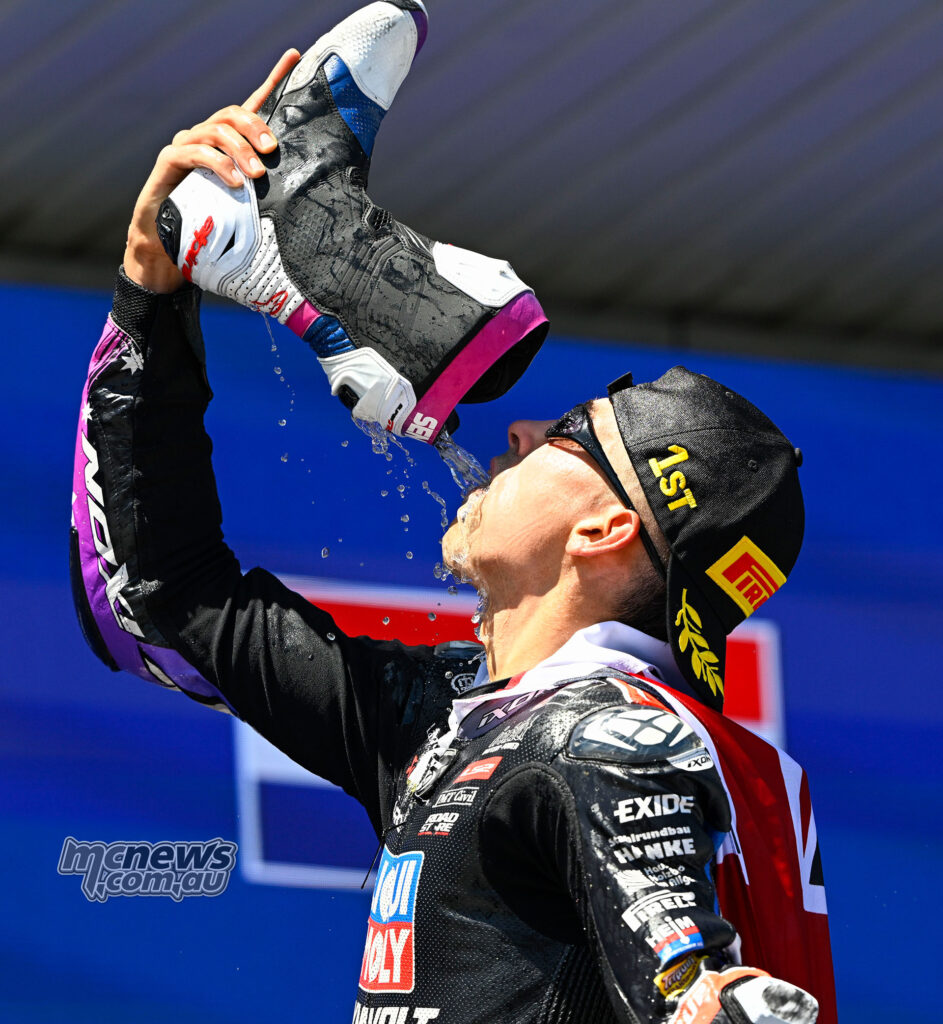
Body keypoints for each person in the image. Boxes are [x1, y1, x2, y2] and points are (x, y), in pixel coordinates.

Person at [70, 4, 836, 1022]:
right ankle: (286, 257)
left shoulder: (601, 736)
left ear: (605, 530)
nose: (515, 431)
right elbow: (160, 600)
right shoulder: (477, 729)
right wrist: (151, 287)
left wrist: (712, 998)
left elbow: (695, 993)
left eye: (567, 434)